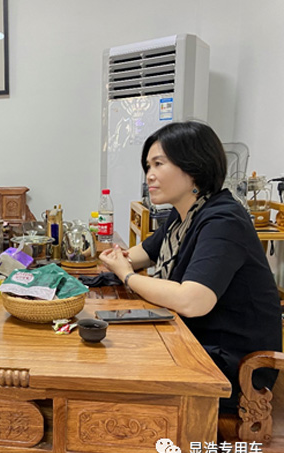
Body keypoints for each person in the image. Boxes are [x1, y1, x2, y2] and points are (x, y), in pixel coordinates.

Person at [99, 120, 281, 414]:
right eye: (148, 166)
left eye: (159, 164)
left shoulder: (223, 219)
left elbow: (193, 301)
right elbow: (142, 253)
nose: (149, 175)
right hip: (193, 340)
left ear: (193, 167)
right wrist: (114, 257)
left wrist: (127, 275)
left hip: (231, 366)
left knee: (113, 369)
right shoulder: (184, 213)